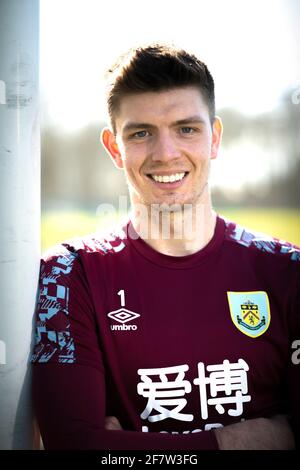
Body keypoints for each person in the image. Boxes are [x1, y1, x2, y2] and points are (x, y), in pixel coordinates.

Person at [31, 43, 299, 450]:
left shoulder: (289, 271)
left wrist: (133, 448)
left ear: (215, 138)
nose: (166, 153)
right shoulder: (67, 275)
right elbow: (74, 444)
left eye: (186, 128)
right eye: (141, 133)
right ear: (114, 148)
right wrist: (241, 441)